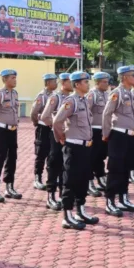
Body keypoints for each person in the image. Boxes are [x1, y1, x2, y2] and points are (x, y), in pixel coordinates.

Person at [52, 71, 97, 230]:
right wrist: (62, 137)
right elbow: (57, 121)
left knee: (83, 180)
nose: (88, 84)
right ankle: (67, 216)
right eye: (85, 82)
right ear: (77, 84)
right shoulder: (71, 101)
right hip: (74, 147)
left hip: (86, 147)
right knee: (70, 181)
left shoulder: (84, 100)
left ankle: (81, 211)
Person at [102, 66, 134, 216]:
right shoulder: (116, 93)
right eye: (132, 75)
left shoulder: (130, 94)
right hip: (118, 135)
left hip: (129, 136)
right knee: (115, 169)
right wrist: (106, 134)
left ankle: (123, 198)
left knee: (126, 168)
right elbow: (106, 113)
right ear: (124, 77)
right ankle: (110, 201)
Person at [0, 69, 21, 203]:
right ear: (5, 80)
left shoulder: (15, 93)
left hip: (13, 131)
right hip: (1, 131)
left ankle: (9, 186)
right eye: (12, 78)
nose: (15, 80)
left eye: (15, 78)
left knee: (12, 158)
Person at [40, 73, 72, 211]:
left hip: (69, 137)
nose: (73, 84)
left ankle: (62, 194)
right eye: (71, 81)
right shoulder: (56, 98)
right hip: (58, 137)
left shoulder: (72, 98)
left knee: (66, 166)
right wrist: (56, 129)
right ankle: (51, 196)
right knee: (54, 164)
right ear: (63, 83)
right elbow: (45, 116)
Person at [31, 74, 58, 191]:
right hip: (43, 128)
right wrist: (37, 123)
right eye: (54, 82)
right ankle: (38, 178)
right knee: (41, 153)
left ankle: (50, 178)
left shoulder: (56, 95)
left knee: (52, 154)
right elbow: (34, 112)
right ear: (47, 83)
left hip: (53, 128)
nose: (56, 84)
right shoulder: (41, 96)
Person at [85, 72, 110, 196]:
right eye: (104, 82)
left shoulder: (107, 94)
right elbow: (86, 113)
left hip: (103, 130)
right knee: (91, 157)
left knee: (101, 156)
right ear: (97, 82)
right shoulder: (92, 95)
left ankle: (101, 178)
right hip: (93, 130)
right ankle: (89, 182)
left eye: (107, 81)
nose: (107, 84)